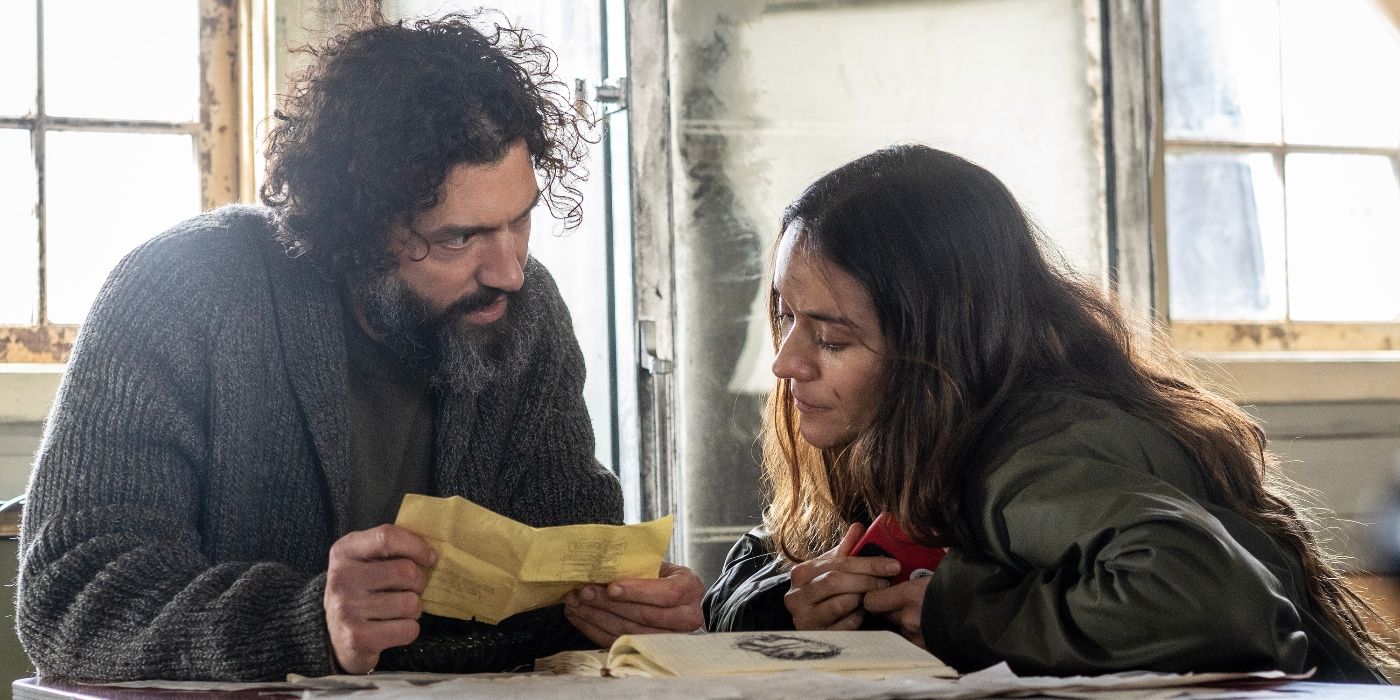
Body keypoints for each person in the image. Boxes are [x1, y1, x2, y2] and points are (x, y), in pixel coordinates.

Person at [18, 13, 701, 682]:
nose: (509, 271)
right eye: (458, 238)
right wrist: (309, 620)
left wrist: (622, 608)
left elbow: (560, 578)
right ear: (355, 229)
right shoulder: (180, 293)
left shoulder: (524, 315)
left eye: (519, 220)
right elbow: (72, 600)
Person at [702, 144, 1394, 682]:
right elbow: (775, 551)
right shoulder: (891, 430)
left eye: (831, 337)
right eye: (784, 317)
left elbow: (1223, 603)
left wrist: (958, 611)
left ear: (937, 343)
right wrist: (769, 606)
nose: (786, 362)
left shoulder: (1037, 446)